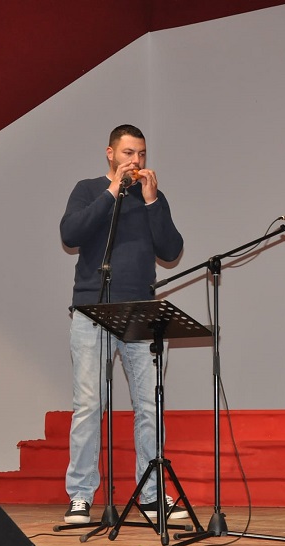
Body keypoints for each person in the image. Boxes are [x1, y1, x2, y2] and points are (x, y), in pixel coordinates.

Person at [59, 124, 186, 524]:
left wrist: (151, 204)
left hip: (140, 313)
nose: (136, 161)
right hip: (92, 310)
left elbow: (172, 250)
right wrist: (112, 190)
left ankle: (150, 495)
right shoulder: (88, 188)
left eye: (142, 154)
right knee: (88, 406)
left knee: (150, 405)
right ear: (110, 153)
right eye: (129, 153)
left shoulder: (153, 197)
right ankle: (80, 496)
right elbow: (71, 233)